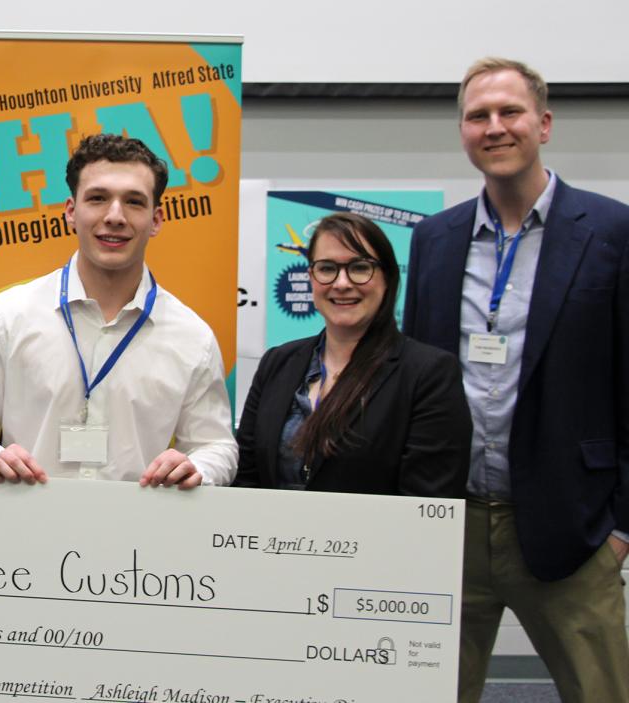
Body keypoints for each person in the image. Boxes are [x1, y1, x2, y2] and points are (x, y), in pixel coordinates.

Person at [403, 57, 629, 703]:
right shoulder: (434, 240)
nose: (494, 127)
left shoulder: (612, 233)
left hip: (573, 528)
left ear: (545, 124)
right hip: (452, 526)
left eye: (510, 112)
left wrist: (620, 530)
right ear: (463, 131)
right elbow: (420, 383)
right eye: (478, 116)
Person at [0, 133, 237, 487]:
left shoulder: (193, 337)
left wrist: (199, 468)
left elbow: (216, 445)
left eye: (134, 202)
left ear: (156, 219)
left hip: (137, 536)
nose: (114, 216)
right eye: (97, 198)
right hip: (21, 529)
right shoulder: (8, 316)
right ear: (71, 211)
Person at [233, 212, 470, 495]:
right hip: (273, 538)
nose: (342, 283)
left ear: (387, 278)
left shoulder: (429, 373)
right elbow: (246, 480)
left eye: (359, 267)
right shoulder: (278, 363)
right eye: (327, 268)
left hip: (375, 540)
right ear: (310, 277)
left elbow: (426, 505)